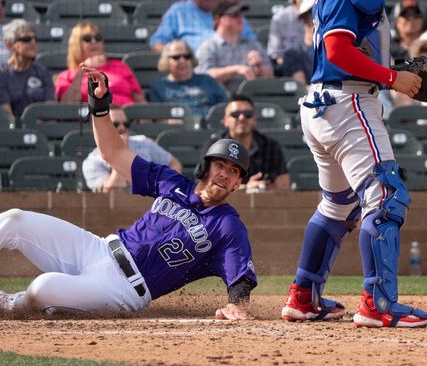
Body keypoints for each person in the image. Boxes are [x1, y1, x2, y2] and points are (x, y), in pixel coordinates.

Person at [0, 67, 257, 319]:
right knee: (14, 219)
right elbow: (113, 153)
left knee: (41, 289)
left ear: (237, 184)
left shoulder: (227, 225)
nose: (225, 173)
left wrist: (237, 304)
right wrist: (100, 105)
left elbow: (241, 276)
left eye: (234, 171)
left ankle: (10, 304)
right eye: (220, 165)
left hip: (121, 290)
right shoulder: (171, 182)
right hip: (99, 249)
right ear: (205, 166)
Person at [281, 0, 427, 328]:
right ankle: (378, 303)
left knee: (338, 205)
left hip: (323, 106)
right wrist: (390, 77)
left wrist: (389, 69)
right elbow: (337, 52)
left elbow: (345, 50)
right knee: (385, 196)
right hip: (349, 105)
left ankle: (302, 296)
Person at [82, 105, 182, 192]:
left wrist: (162, 188)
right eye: (115, 124)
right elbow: (114, 192)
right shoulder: (92, 161)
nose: (122, 128)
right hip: (118, 211)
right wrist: (120, 152)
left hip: (151, 206)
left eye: (126, 124)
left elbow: (174, 163)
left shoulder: (143, 143)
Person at [203, 95, 289, 193]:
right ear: (225, 120)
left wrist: (263, 188)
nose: (242, 118)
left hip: (262, 204)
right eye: (235, 114)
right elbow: (205, 185)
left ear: (254, 119)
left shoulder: (270, 146)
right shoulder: (214, 146)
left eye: (248, 114)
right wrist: (246, 188)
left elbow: (284, 185)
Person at [195, 0, 273, 95]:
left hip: (251, 100)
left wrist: (259, 67)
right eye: (234, 15)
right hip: (219, 101)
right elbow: (203, 78)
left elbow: (270, 77)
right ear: (218, 19)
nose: (240, 18)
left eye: (241, 15)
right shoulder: (208, 47)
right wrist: (235, 70)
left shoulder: (254, 45)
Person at [55, 22, 144, 105]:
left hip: (124, 118)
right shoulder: (66, 76)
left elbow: (140, 101)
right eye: (87, 39)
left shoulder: (121, 67)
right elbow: (68, 105)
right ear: (76, 45)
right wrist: (82, 70)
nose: (94, 41)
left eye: (98, 38)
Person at [147, 40, 228, 118]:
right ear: (166, 61)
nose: (182, 60)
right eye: (176, 57)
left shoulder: (208, 81)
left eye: (187, 56)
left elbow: (224, 107)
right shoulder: (159, 87)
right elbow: (157, 119)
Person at [0, 19, 54, 118]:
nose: (33, 42)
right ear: (10, 45)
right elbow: (7, 117)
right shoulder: (2, 74)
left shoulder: (43, 73)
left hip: (41, 129)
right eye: (26, 39)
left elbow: (49, 112)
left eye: (35, 39)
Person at [267, 0, 320, 70]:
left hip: (317, 66)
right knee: (291, 55)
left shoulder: (323, 14)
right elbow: (275, 54)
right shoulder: (281, 17)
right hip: (291, 70)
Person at [281, 0, 316, 84]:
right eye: (314, 13)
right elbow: (302, 88)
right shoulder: (293, 53)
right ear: (305, 18)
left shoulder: (335, 46)